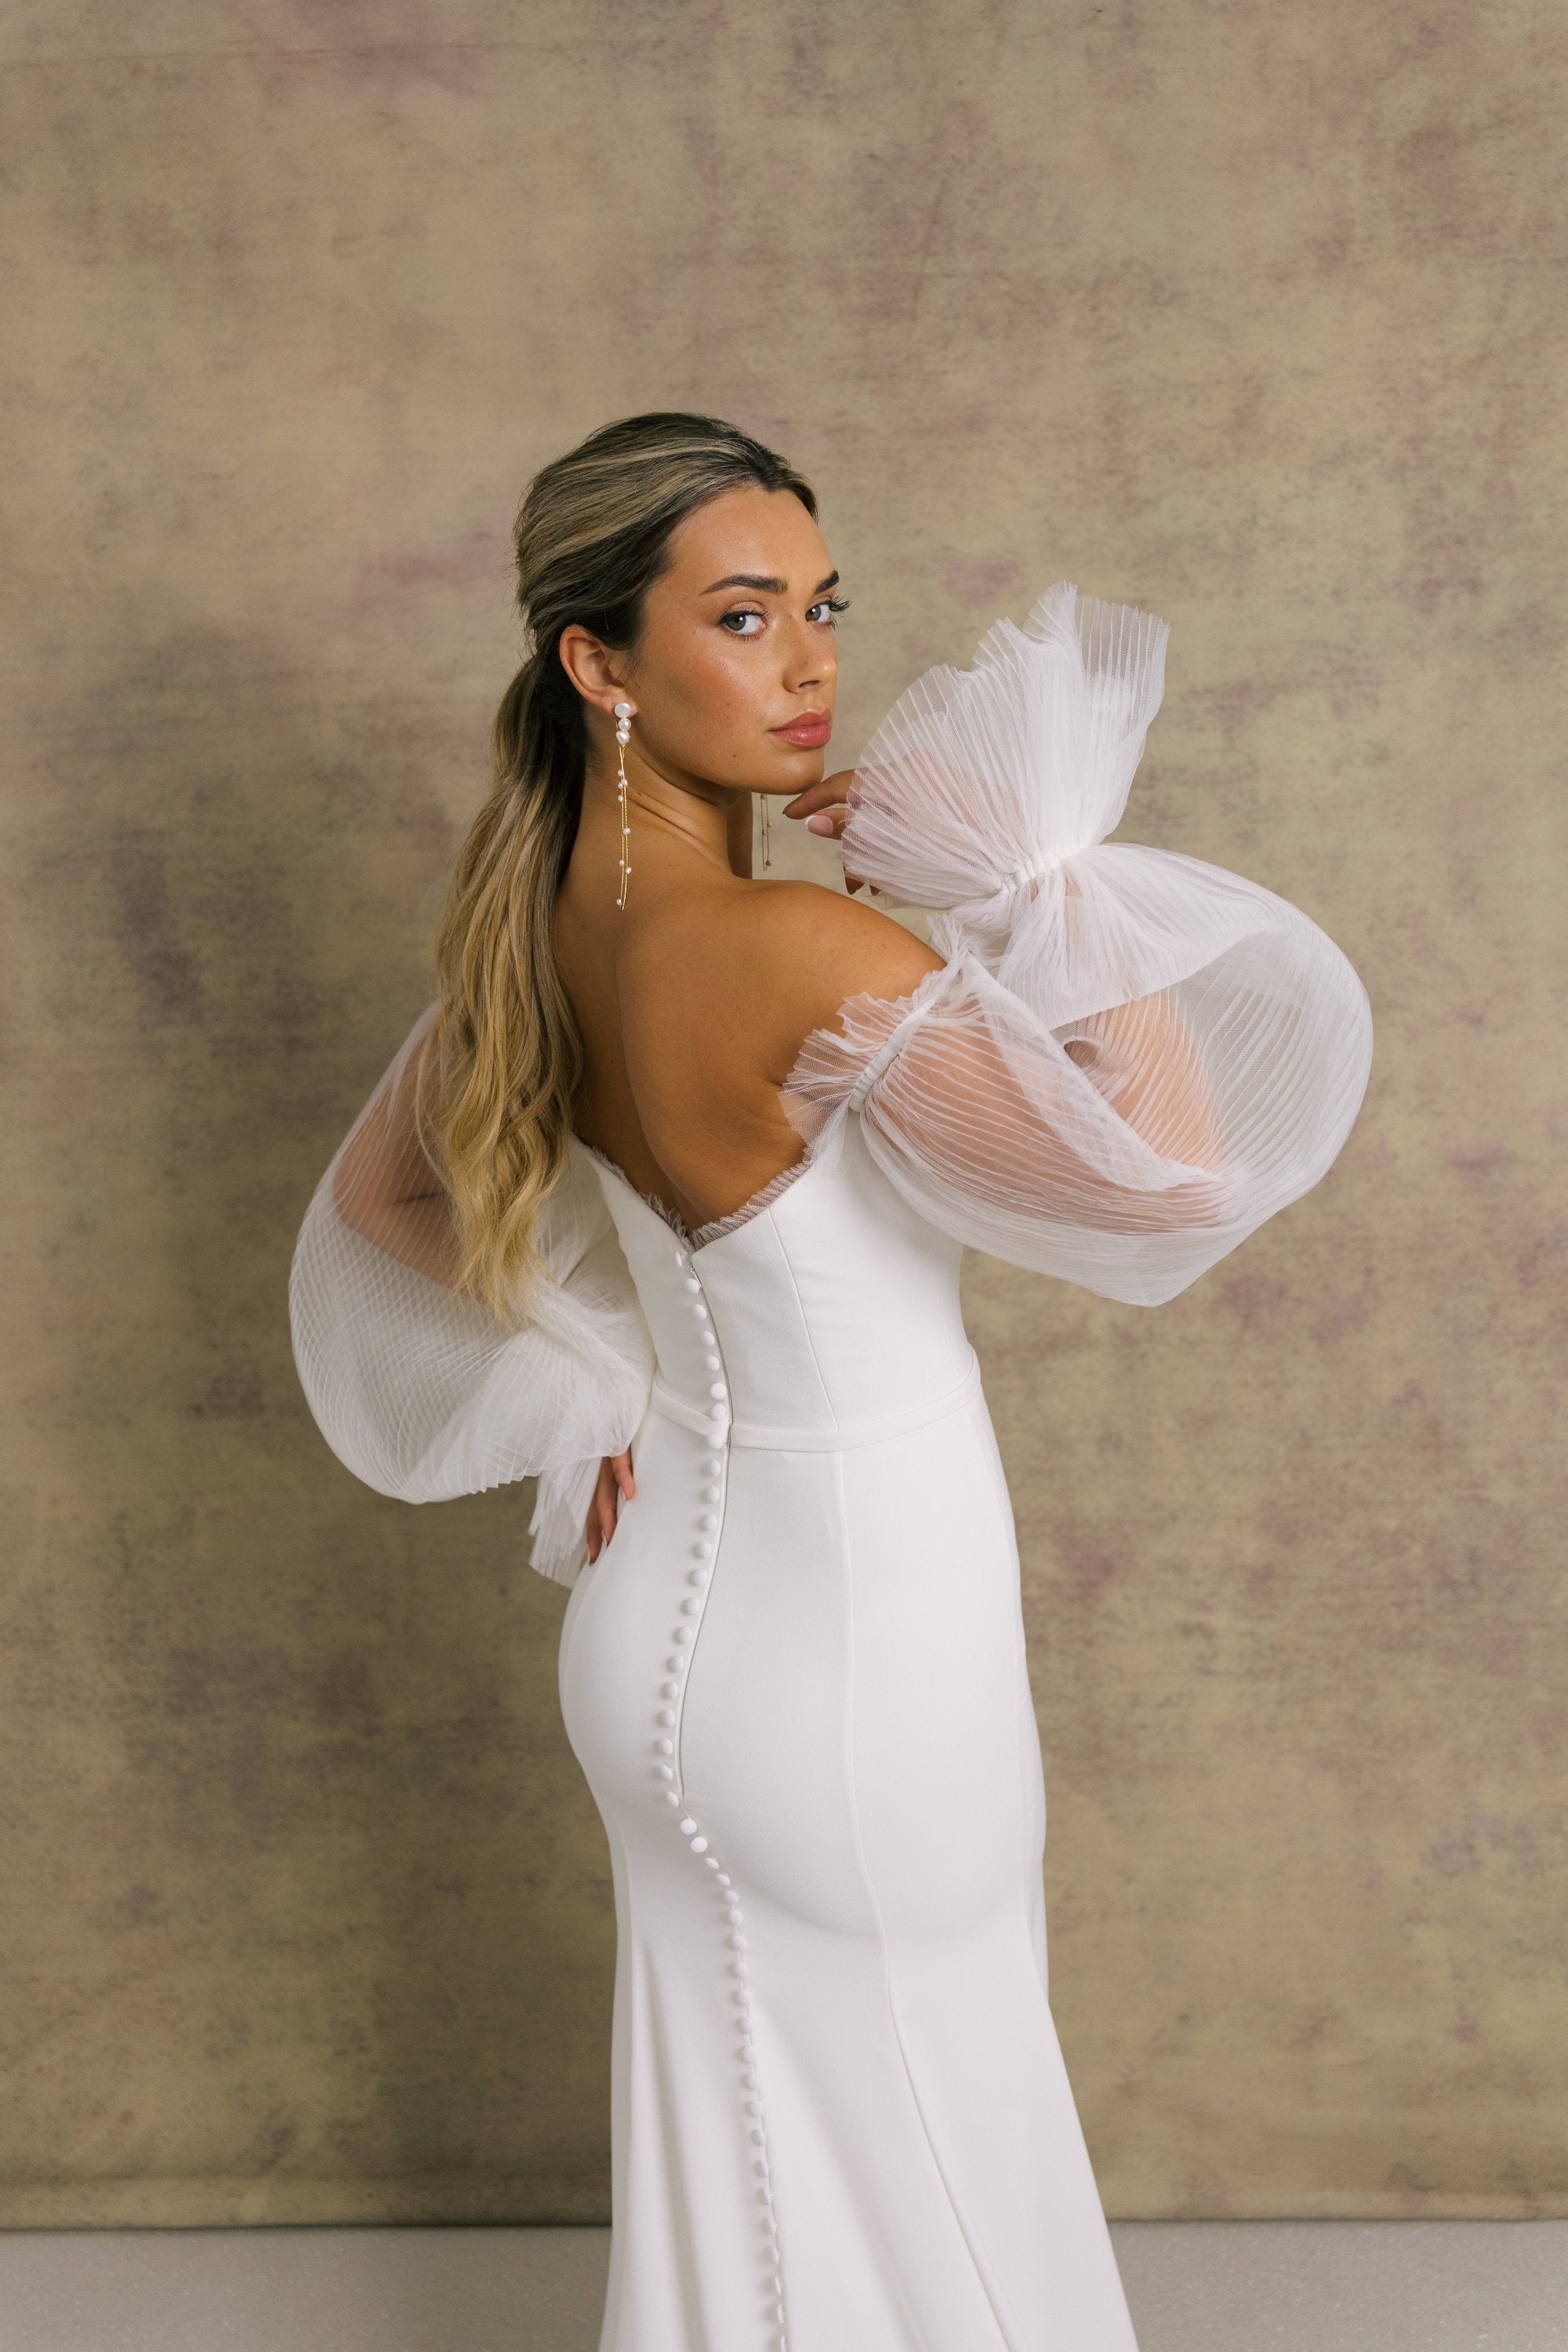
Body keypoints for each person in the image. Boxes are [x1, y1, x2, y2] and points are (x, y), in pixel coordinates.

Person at [289, 412, 1374, 2351]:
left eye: (819, 606)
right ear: (597, 664)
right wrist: (1036, 882)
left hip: (663, 1645)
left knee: (759, 2163)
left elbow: (386, 1194)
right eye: (738, 614)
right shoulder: (790, 941)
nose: (808, 665)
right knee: (939, 2150)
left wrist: (603, 1381)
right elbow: (1176, 1178)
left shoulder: (536, 930)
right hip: (868, 1662)